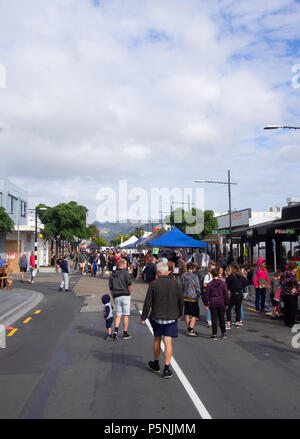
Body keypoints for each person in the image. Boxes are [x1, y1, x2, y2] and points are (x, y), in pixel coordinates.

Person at [140, 262, 184, 379]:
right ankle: (166, 368)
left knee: (157, 339)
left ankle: (156, 362)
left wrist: (143, 317)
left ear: (159, 272)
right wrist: (180, 313)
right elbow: (180, 300)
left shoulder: (153, 284)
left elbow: (148, 302)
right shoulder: (175, 283)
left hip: (157, 316)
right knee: (168, 341)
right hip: (171, 316)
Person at [203, 268, 229, 339]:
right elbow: (226, 294)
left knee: (214, 319)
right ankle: (223, 333)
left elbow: (206, 295)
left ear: (211, 275)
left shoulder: (210, 284)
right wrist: (226, 303)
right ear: (219, 274)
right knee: (222, 318)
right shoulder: (223, 284)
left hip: (213, 302)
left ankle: (214, 334)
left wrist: (206, 303)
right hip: (221, 302)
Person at [109, 258, 133, 340]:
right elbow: (129, 285)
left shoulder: (112, 275)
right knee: (126, 315)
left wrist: (113, 297)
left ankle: (115, 331)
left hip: (116, 295)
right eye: (125, 264)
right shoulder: (126, 273)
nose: (126, 266)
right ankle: (125, 333)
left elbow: (111, 289)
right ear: (122, 265)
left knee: (118, 314)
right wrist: (130, 294)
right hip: (125, 294)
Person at [226, 263, 248, 329]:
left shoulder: (231, 277)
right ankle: (237, 322)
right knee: (238, 308)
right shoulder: (240, 276)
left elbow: (227, 285)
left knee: (228, 308)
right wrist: (241, 286)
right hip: (240, 293)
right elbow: (246, 282)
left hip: (234, 293)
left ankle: (228, 323)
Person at [182, 262, 201, 336]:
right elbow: (197, 286)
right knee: (194, 314)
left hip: (185, 296)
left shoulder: (183, 276)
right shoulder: (194, 276)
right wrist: (198, 294)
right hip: (193, 296)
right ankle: (191, 329)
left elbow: (182, 286)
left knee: (187, 314)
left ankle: (188, 329)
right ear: (193, 268)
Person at [280, 262, 300, 327]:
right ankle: (292, 322)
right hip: (291, 293)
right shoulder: (292, 274)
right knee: (292, 308)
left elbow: (281, 281)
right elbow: (294, 282)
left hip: (284, 292)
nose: (297, 269)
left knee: (287, 308)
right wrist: (294, 287)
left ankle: (287, 322)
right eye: (296, 267)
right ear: (294, 268)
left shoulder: (285, 272)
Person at [202, 263, 216, 327]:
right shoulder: (207, 276)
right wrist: (211, 285)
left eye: (214, 269)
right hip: (208, 292)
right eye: (212, 269)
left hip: (214, 292)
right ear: (209, 269)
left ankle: (213, 319)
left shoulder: (214, 275)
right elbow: (204, 284)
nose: (213, 270)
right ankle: (208, 320)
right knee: (208, 306)